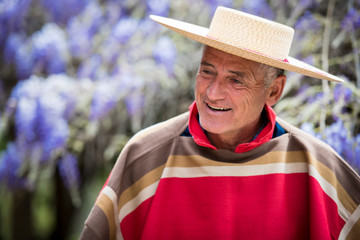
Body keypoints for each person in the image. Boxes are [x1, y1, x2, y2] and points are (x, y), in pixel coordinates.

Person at [80, 6, 360, 240]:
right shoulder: (145, 156)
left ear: (274, 91)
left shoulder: (318, 168)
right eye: (207, 71)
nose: (212, 93)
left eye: (236, 80)